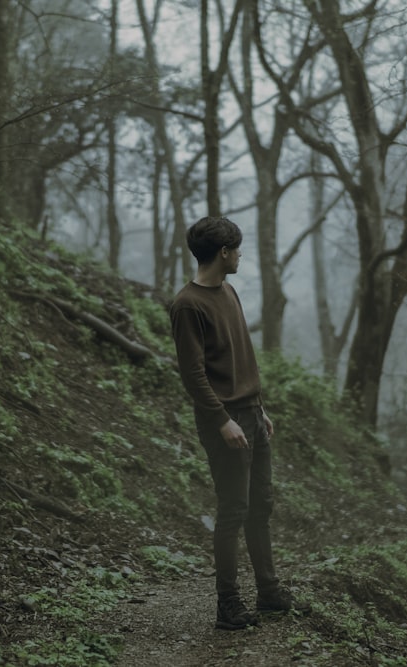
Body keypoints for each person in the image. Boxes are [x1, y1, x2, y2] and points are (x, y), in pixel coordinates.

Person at [169, 215, 307, 631]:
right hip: (223, 420)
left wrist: (259, 408)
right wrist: (223, 420)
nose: (240, 254)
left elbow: (244, 354)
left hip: (250, 413)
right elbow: (192, 374)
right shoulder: (187, 304)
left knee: (260, 505)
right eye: (237, 248)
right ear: (224, 253)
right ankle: (227, 604)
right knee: (233, 510)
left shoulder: (229, 291)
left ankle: (268, 592)